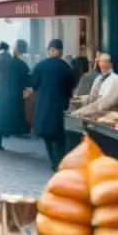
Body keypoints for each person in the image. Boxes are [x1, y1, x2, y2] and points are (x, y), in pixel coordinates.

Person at [31, 39, 78, 170]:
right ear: (61, 52)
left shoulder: (40, 65)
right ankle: (58, 161)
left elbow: (34, 84)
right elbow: (72, 84)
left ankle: (53, 160)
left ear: (50, 51)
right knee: (60, 136)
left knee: (47, 135)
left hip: (44, 105)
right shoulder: (66, 67)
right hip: (60, 105)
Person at [0, 41, 30, 151]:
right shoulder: (17, 62)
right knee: (6, 118)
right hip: (11, 94)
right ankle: (5, 136)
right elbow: (27, 80)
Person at [75, 53, 118, 117]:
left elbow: (103, 103)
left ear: (111, 64)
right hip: (96, 117)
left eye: (106, 62)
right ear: (98, 63)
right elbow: (92, 97)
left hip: (109, 118)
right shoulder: (98, 78)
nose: (103, 64)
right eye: (101, 61)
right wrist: (79, 99)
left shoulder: (116, 79)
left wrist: (80, 112)